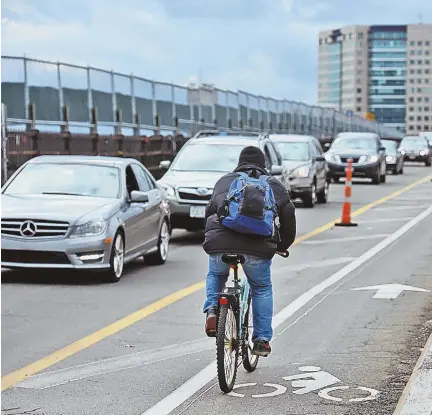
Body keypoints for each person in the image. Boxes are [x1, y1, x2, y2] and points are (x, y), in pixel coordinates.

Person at [202, 146, 297, 356]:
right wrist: (282, 246)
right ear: (264, 164)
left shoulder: (226, 181)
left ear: (240, 162)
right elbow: (288, 214)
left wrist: (211, 240)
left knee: (216, 273)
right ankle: (262, 340)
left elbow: (209, 211)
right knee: (261, 287)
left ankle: (212, 310)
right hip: (258, 247)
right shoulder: (273, 184)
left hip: (221, 242)